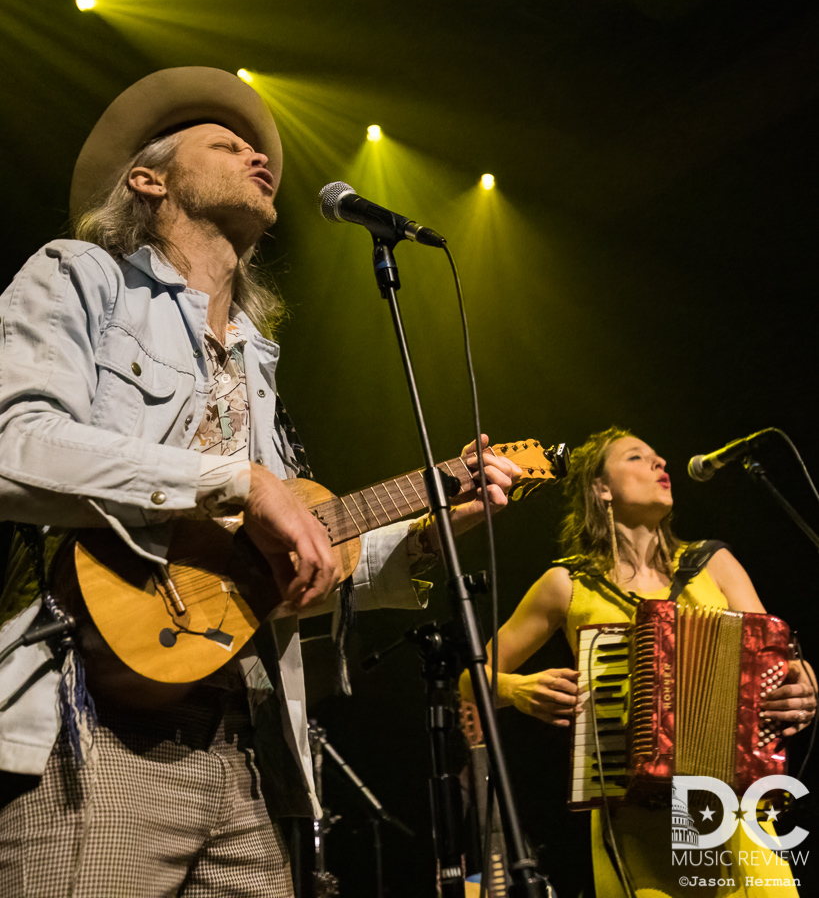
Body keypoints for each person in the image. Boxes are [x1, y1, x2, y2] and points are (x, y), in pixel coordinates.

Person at [0, 66, 522, 897]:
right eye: (226, 143)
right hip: (88, 732)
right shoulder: (79, 275)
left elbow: (271, 574)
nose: (257, 155)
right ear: (150, 178)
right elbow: (13, 445)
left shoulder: (257, 361)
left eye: (258, 146)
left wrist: (426, 532)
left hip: (243, 748)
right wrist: (234, 482)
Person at [462, 426, 817, 898]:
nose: (660, 464)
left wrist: (805, 685)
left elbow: (781, 656)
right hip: (634, 817)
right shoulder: (567, 583)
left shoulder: (713, 563)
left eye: (658, 457)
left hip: (735, 808)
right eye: (637, 457)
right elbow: (468, 677)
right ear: (600, 488)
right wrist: (516, 690)